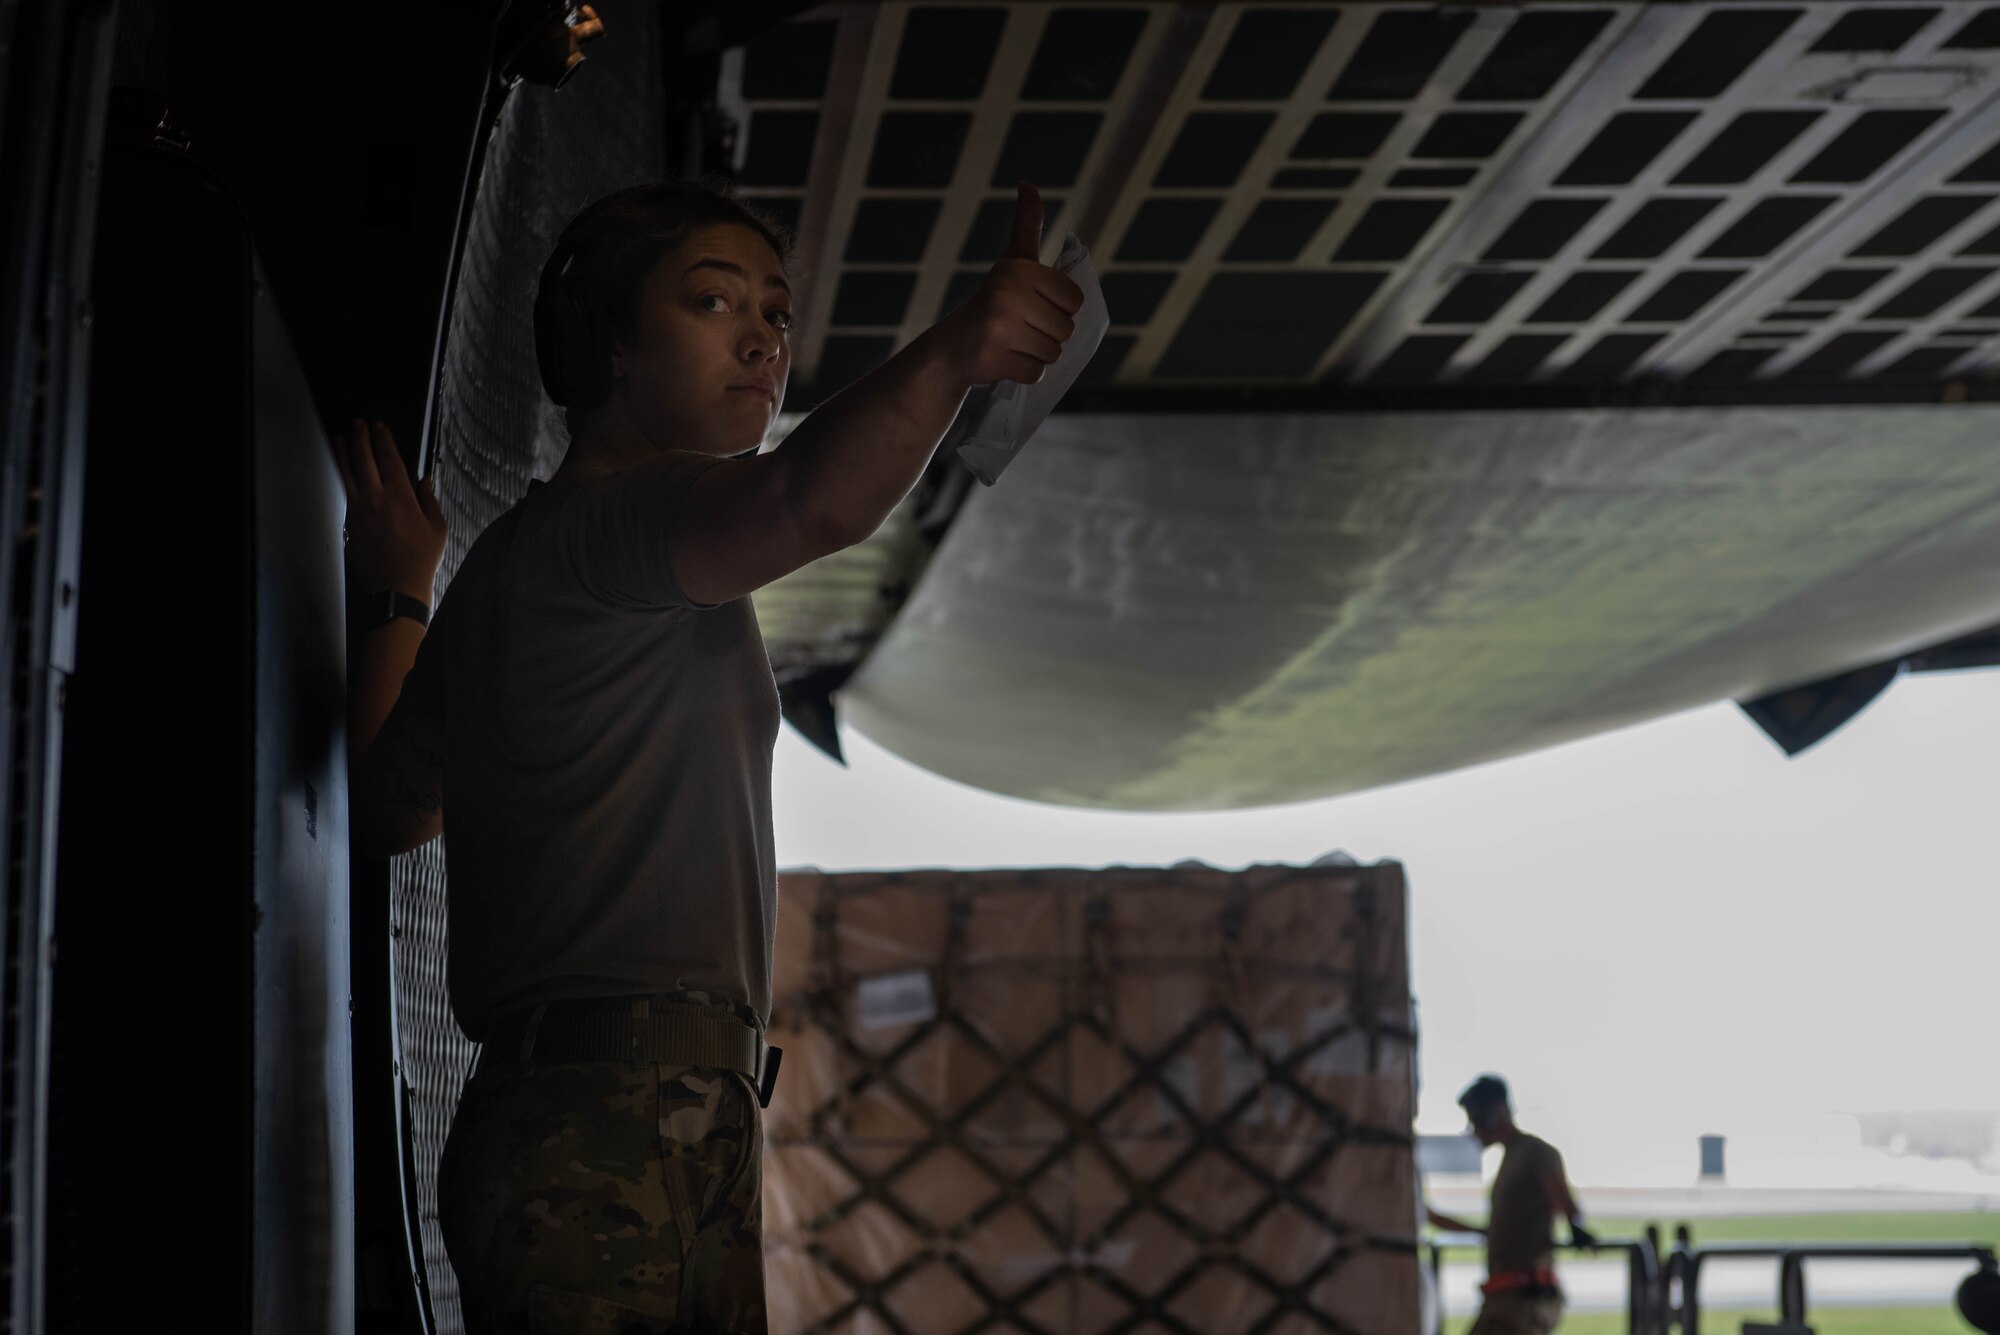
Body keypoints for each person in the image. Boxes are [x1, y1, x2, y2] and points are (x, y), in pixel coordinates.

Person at [335, 176, 1084, 1333]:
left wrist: (397, 592)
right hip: (613, 1122)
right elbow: (807, 500)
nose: (763, 339)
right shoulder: (625, 520)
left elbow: (387, 805)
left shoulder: (520, 564)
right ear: (616, 350)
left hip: (619, 1118)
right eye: (711, 301)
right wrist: (953, 353)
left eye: (776, 314)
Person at [1426, 1075, 1596, 1335]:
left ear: (1493, 1115)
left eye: (1474, 1118)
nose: (1473, 1128)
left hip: (1522, 1301)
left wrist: (1577, 1226)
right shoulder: (1513, 1158)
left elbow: (1566, 1204)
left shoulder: (1536, 1153)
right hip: (1505, 1299)